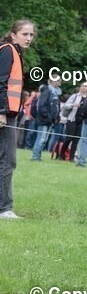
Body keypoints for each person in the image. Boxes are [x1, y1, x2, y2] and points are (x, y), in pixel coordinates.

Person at [0, 20, 35, 219]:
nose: (28, 38)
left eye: (31, 35)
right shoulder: (8, 51)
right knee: (7, 160)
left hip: (8, 113)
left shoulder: (14, 52)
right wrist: (2, 111)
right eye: (24, 34)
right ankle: (4, 208)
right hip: (5, 114)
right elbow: (1, 83)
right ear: (14, 35)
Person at [31, 76, 62, 161]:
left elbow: (55, 107)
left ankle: (38, 156)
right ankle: (35, 157)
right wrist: (47, 116)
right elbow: (42, 105)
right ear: (51, 81)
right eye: (57, 81)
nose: (58, 83)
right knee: (41, 138)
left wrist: (56, 116)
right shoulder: (47, 90)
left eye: (59, 81)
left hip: (49, 120)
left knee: (44, 139)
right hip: (43, 119)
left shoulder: (55, 92)